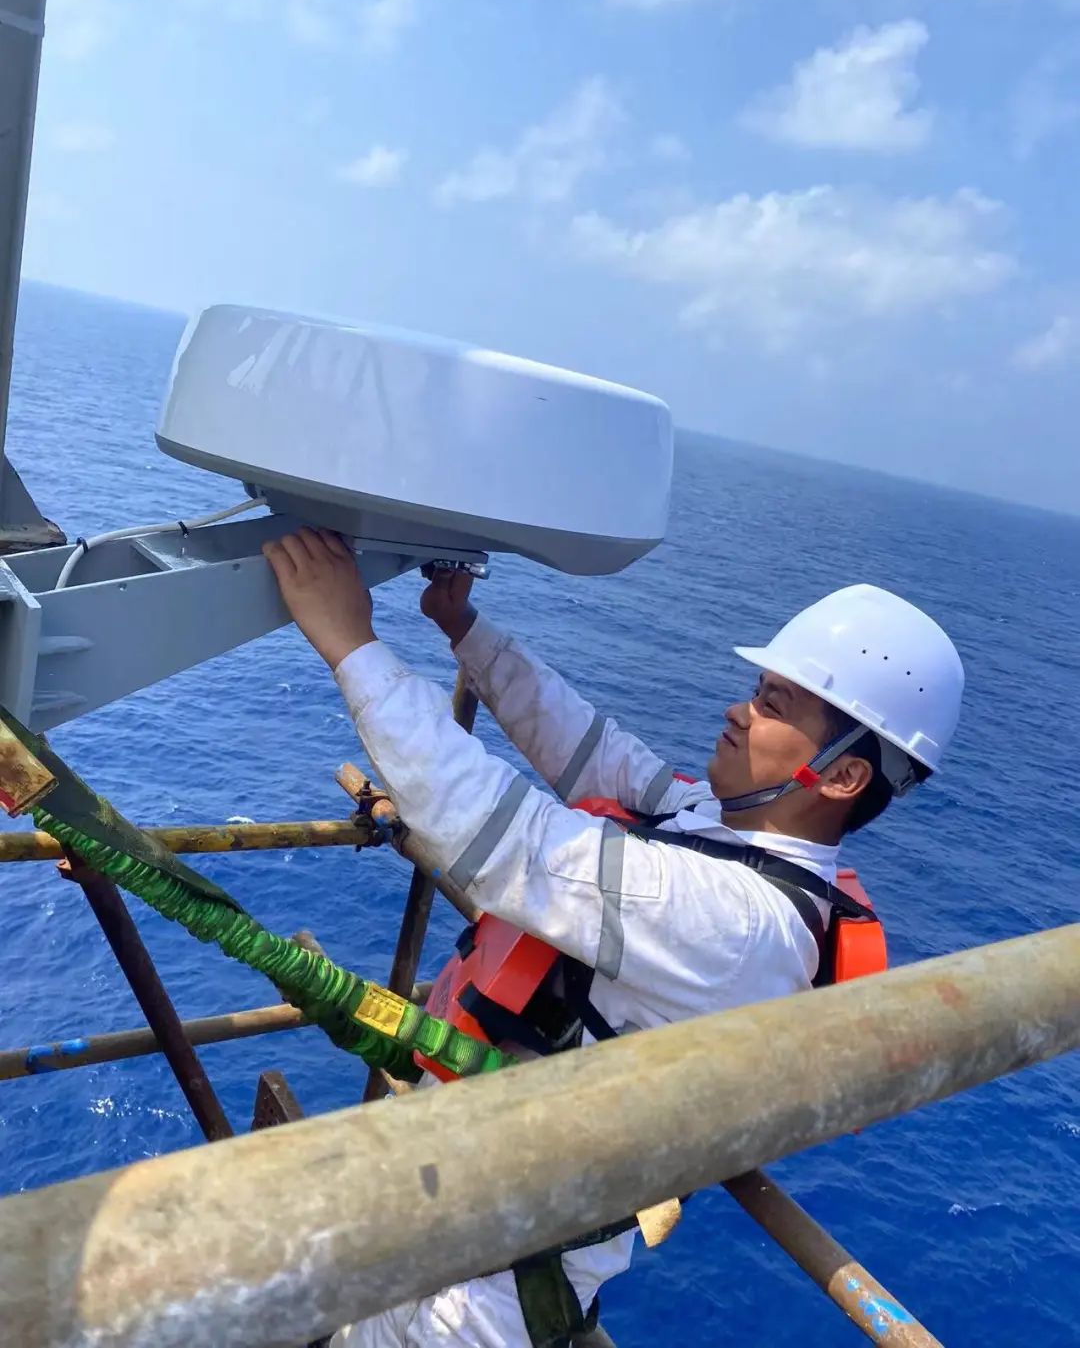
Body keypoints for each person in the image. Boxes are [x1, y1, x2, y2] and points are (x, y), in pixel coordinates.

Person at [262, 527, 965, 1348]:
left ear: (842, 775)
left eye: (774, 704)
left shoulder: (741, 921)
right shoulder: (718, 826)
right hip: (446, 1202)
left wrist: (351, 644)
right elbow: (591, 749)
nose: (739, 710)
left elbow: (510, 840)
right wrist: (466, 629)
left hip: (478, 1285)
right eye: (757, 688)